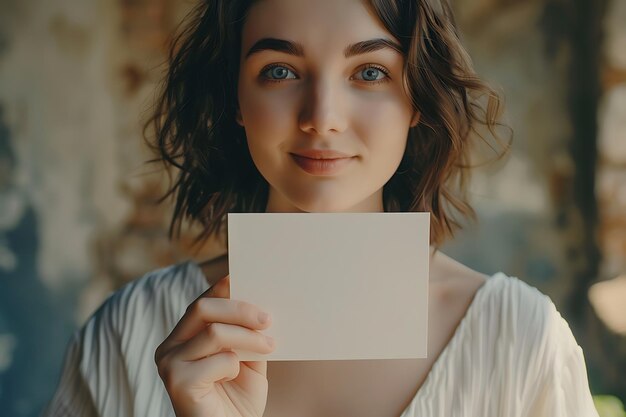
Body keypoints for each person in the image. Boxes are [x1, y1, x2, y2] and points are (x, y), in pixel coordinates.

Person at [41, 0, 600, 416]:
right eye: (280, 71)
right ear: (237, 99)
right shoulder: (126, 335)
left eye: (370, 72)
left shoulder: (523, 340)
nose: (322, 116)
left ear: (417, 100)